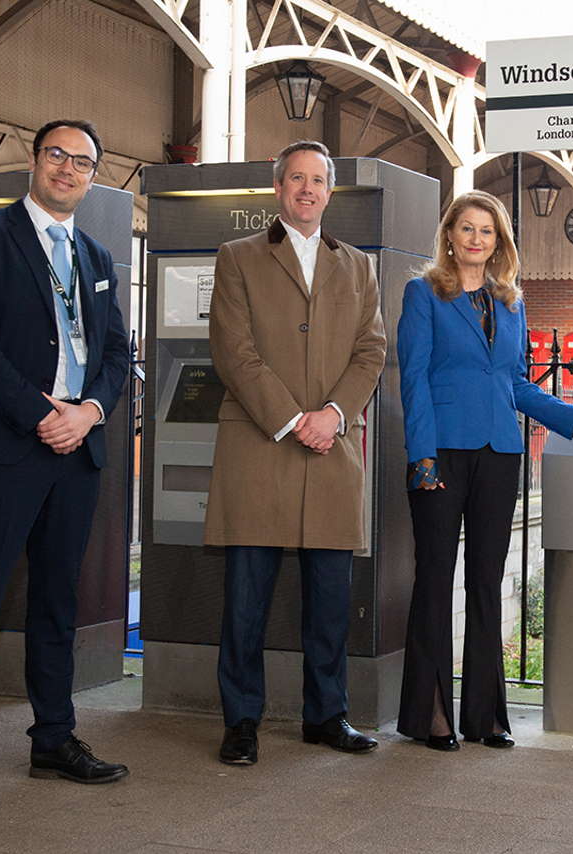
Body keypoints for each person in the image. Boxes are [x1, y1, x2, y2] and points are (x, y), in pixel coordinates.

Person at [0, 119, 131, 810]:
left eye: (84, 162)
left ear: (94, 176)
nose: (69, 169)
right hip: (6, 446)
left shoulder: (98, 257)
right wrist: (41, 413)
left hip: (78, 450)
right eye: (58, 155)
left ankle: (54, 739)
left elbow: (116, 358)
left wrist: (89, 413)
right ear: (36, 160)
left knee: (56, 604)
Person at [396, 190, 573, 751]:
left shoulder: (511, 302)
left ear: (499, 242)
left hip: (498, 453)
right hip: (440, 453)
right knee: (435, 579)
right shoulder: (423, 294)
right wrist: (421, 456)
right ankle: (433, 715)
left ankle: (486, 714)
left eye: (486, 231)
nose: (476, 239)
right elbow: (413, 380)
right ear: (449, 235)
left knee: (487, 582)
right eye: (466, 228)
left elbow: (515, 383)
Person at [204, 140, 386, 766]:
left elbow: (371, 351)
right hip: (261, 445)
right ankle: (241, 722)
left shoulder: (359, 267)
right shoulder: (238, 258)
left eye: (318, 181)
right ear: (278, 189)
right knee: (245, 602)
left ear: (330, 193)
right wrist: (291, 418)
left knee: (330, 601)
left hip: (332, 448)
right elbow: (233, 351)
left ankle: (327, 715)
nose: (307, 190)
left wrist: (333, 416)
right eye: (296, 179)